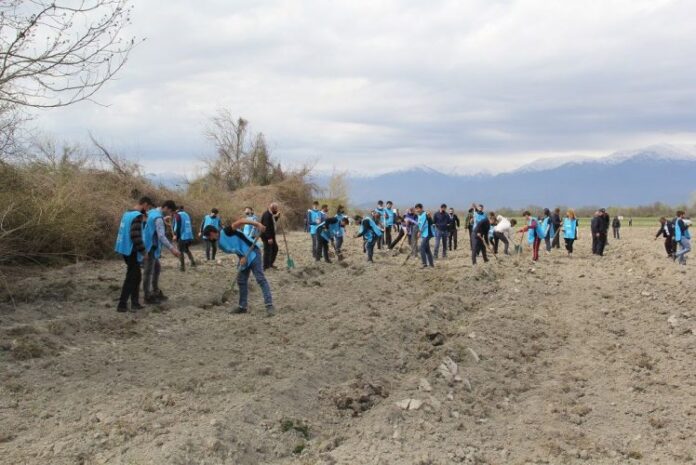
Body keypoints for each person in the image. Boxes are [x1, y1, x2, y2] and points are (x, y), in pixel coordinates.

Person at [203, 220, 275, 316]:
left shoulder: (227, 231)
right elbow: (237, 249)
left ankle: (269, 306)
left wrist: (258, 224)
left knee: (260, 279)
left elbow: (241, 221)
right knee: (241, 280)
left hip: (253, 252)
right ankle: (242, 307)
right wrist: (242, 257)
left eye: (209, 237)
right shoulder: (220, 244)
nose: (209, 239)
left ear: (212, 233)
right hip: (244, 258)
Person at [114, 197, 151, 312]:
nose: (147, 210)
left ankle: (135, 302)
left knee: (136, 276)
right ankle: (122, 304)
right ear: (144, 204)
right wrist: (144, 251)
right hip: (132, 251)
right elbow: (135, 236)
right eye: (148, 207)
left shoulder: (127, 213)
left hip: (124, 248)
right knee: (131, 277)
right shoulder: (137, 216)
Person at [143, 200, 181, 304]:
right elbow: (161, 236)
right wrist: (172, 249)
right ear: (166, 208)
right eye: (170, 212)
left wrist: (163, 219)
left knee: (157, 268)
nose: (170, 214)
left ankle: (155, 292)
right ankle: (147, 296)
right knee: (148, 272)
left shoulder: (152, 212)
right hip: (150, 247)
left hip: (148, 246)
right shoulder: (158, 218)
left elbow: (150, 222)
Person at [173, 205, 196, 271]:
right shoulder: (187, 214)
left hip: (182, 236)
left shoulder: (178, 215)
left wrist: (176, 235)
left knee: (180, 251)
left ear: (177, 209)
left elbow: (178, 226)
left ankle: (182, 267)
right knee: (186, 249)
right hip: (189, 236)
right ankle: (193, 262)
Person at [260, 203, 280, 270]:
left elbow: (273, 222)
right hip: (266, 236)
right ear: (272, 208)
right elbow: (266, 227)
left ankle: (270, 264)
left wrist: (277, 217)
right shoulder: (267, 215)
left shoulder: (271, 214)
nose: (277, 210)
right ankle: (265, 266)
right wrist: (269, 238)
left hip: (271, 235)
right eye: (276, 209)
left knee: (275, 249)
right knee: (267, 250)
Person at [414, 203, 434, 268]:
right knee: (427, 249)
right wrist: (419, 232)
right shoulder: (419, 216)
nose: (417, 210)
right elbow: (420, 225)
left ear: (421, 208)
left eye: (418, 208)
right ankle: (431, 264)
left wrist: (429, 217)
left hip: (428, 233)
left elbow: (431, 222)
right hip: (423, 234)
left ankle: (424, 264)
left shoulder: (426, 214)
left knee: (421, 247)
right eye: (416, 209)